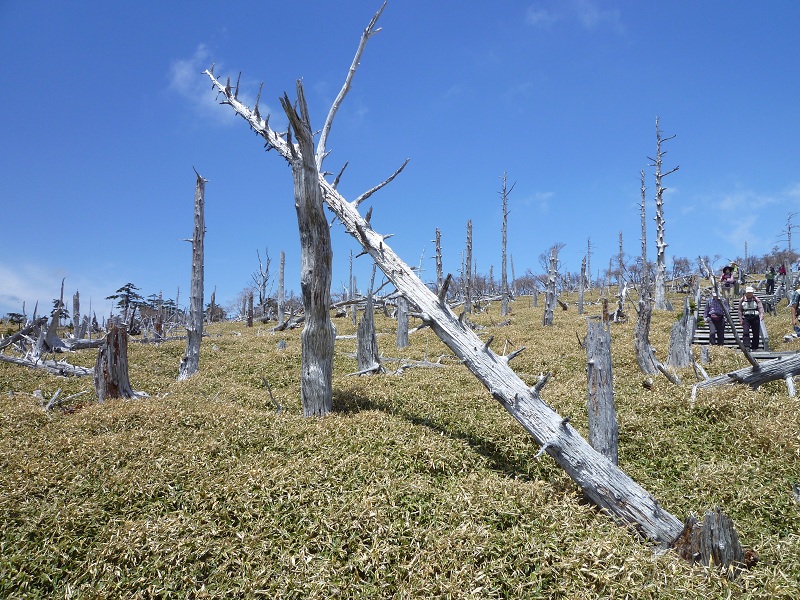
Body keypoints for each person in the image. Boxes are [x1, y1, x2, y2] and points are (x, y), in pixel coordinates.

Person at [738, 286, 764, 350]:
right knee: (745, 332)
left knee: (756, 333)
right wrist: (740, 319)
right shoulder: (742, 300)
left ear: (752, 293)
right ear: (746, 293)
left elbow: (761, 308)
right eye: (748, 293)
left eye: (750, 293)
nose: (749, 294)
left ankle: (754, 347)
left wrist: (761, 316)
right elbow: (740, 310)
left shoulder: (756, 299)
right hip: (746, 318)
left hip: (755, 317)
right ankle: (746, 346)